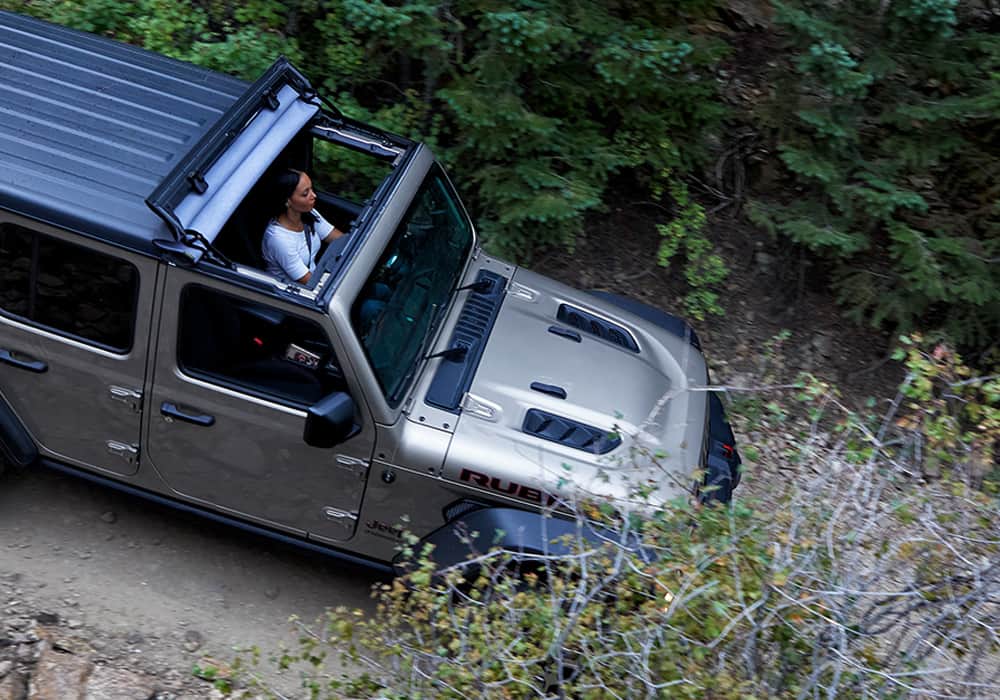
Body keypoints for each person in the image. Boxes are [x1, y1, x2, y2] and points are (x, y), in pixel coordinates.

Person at [261, 169, 346, 284]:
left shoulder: (309, 214)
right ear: (288, 201)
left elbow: (343, 241)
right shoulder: (278, 239)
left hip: (319, 278)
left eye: (312, 189)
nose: (314, 195)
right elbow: (310, 284)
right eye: (305, 194)